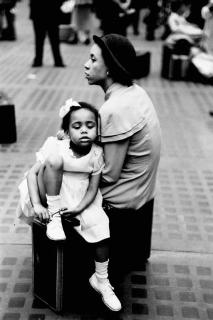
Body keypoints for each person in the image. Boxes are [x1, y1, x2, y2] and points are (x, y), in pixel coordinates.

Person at [17, 99, 122, 312]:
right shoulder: (56, 146)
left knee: (102, 226)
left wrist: (80, 208)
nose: (84, 131)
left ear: (97, 129)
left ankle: (101, 278)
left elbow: (93, 189)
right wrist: (38, 204)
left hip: (79, 196)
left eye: (90, 126)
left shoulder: (96, 153)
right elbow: (32, 174)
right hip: (50, 189)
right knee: (54, 161)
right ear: (66, 131)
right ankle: (54, 216)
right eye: (77, 126)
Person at [84, 34, 161, 277]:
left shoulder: (115, 109)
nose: (86, 64)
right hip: (143, 187)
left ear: (110, 68)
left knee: (51, 179)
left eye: (93, 59)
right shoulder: (134, 92)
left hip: (125, 195)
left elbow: (109, 174)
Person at [29, 0, 65, 67]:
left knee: (39, 39)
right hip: (51, 13)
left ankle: (38, 60)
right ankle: (58, 61)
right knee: (54, 39)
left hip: (39, 12)